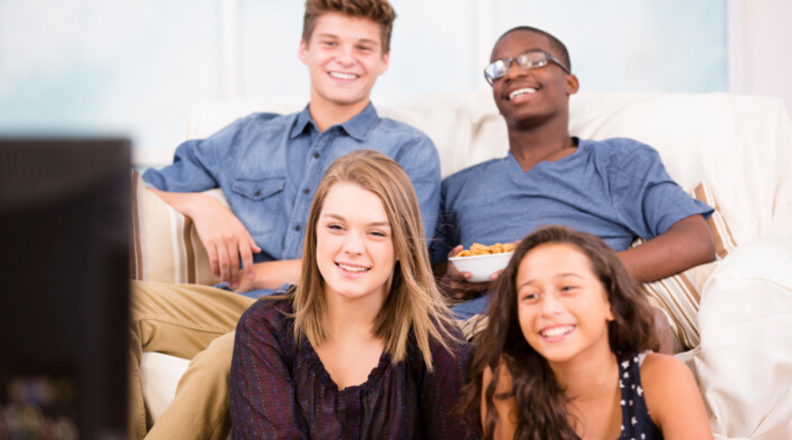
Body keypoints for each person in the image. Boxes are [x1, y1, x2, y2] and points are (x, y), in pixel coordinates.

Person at [128, 1, 442, 439]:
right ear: (304, 48)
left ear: (384, 60)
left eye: (364, 47)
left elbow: (402, 259)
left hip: (323, 314)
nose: (346, 58)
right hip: (235, 305)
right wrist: (202, 206)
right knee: (115, 301)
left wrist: (255, 272)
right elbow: (135, 184)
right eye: (331, 42)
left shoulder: (408, 150)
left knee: (229, 354)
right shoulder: (248, 135)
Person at [434, 26, 716, 350]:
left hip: (587, 316)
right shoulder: (459, 186)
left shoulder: (617, 161)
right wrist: (450, 282)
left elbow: (695, 240)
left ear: (571, 82)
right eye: (499, 69)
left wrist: (575, 272)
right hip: (482, 328)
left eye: (532, 60)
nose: (512, 72)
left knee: (648, 322)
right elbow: (421, 274)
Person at [230, 150, 474, 438]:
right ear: (315, 233)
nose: (353, 247)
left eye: (377, 233)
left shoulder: (438, 343)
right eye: (336, 227)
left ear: (402, 248)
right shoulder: (264, 327)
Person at [463, 226, 713, 440]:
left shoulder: (662, 378)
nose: (548, 308)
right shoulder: (506, 376)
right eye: (530, 295)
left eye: (568, 287)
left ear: (611, 303)